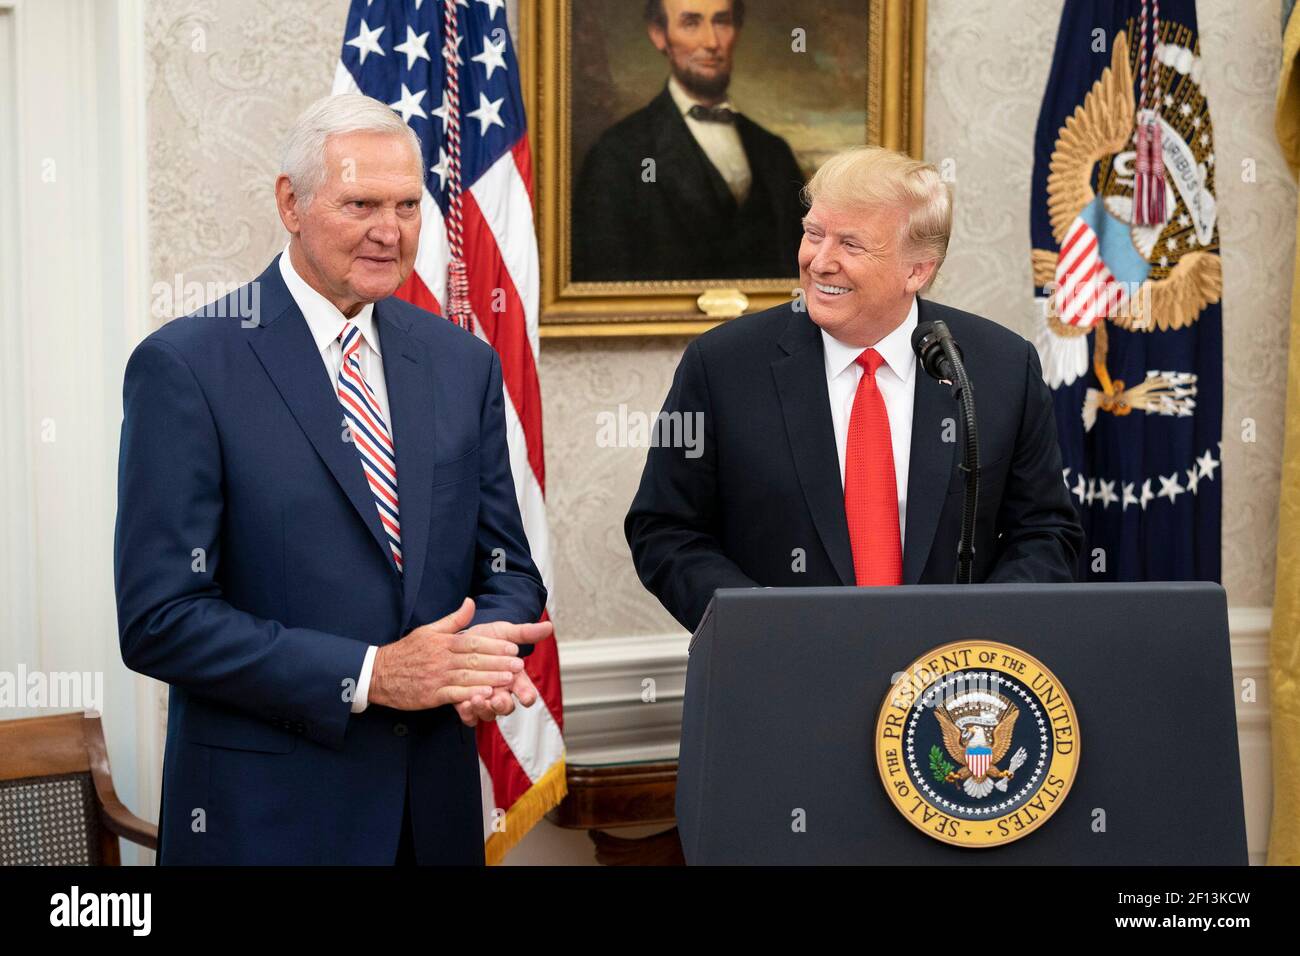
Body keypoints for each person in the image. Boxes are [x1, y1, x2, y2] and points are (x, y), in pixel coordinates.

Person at [114, 94, 551, 865]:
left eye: (408, 205)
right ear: (291, 201)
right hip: (269, 823)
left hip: (434, 815)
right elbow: (161, 619)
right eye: (361, 204)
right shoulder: (188, 365)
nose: (391, 231)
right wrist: (372, 674)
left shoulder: (461, 364)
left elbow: (505, 564)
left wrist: (481, 652)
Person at [625, 146, 1083, 631]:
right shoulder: (722, 366)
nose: (820, 262)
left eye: (851, 245)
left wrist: (977, 628)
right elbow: (665, 530)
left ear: (917, 270)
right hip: (777, 672)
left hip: (947, 684)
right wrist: (755, 621)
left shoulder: (999, 367)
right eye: (813, 234)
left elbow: (1046, 532)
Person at [572, 0, 806, 281]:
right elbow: (602, 283)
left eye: (721, 21)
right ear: (659, 35)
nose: (711, 41)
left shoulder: (774, 153)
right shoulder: (617, 154)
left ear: (737, 31)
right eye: (691, 23)